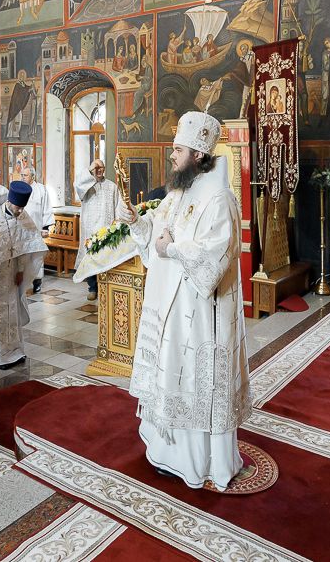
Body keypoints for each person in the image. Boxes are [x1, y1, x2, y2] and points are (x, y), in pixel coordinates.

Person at [122, 111, 252, 491]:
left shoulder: (220, 198)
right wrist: (136, 221)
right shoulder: (179, 191)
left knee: (195, 380)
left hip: (200, 316)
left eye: (178, 150)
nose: (172, 155)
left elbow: (216, 256)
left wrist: (174, 249)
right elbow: (156, 234)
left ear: (198, 154)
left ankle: (200, 461)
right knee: (170, 374)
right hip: (171, 310)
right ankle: (166, 452)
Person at [0, 181, 47, 368]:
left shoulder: (22, 216)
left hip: (11, 274)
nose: (20, 211)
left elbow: (25, 245)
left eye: (23, 208)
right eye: (18, 207)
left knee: (12, 312)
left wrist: (21, 270)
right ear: (9, 202)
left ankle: (15, 350)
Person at [75, 158, 133, 301]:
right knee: (91, 257)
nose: (99, 170)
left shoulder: (112, 186)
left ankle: (105, 286)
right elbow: (78, 184)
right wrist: (90, 171)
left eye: (101, 167)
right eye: (96, 168)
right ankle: (92, 288)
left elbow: (118, 205)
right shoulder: (86, 186)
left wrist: (118, 221)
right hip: (90, 228)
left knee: (106, 257)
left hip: (107, 227)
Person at [22, 167, 53, 294]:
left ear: (33, 176)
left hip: (37, 229)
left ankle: (37, 282)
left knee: (36, 256)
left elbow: (47, 208)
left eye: (25, 175)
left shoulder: (41, 189)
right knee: (23, 257)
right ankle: (23, 282)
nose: (23, 177)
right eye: (22, 175)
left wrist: (45, 228)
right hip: (22, 230)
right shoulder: (20, 188)